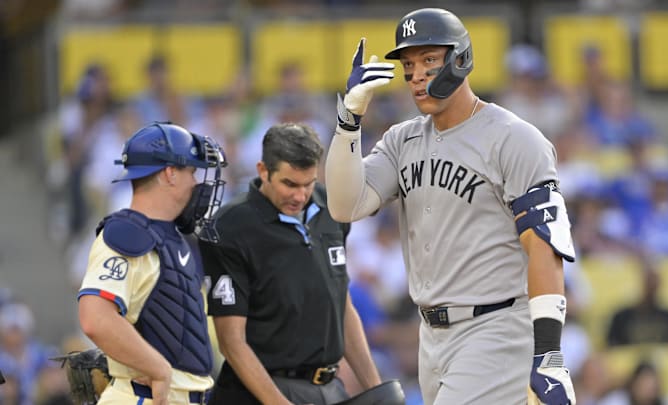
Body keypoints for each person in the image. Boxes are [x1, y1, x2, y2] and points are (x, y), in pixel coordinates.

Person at [326, 7, 577, 405]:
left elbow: (543, 244)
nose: (417, 75)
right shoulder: (401, 140)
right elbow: (343, 205)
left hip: (495, 328)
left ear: (460, 59)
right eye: (409, 64)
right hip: (431, 337)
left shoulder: (514, 138)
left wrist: (548, 352)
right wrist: (348, 121)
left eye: (429, 60)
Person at [198, 123, 399, 404]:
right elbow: (232, 342)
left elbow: (341, 306)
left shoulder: (333, 208)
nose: (300, 196)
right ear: (263, 170)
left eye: (308, 183)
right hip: (261, 392)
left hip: (329, 388)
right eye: (289, 184)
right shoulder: (229, 227)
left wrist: (375, 390)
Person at [76, 122, 227, 405]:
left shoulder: (171, 236)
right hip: (144, 397)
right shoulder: (126, 234)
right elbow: (95, 318)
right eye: (191, 172)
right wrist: (156, 367)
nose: (196, 183)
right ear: (170, 173)